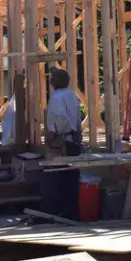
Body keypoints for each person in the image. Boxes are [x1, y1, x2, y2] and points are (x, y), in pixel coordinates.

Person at [40, 67, 83, 220]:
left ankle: (60, 212)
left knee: (57, 177)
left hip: (62, 142)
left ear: (54, 82)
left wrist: (52, 136)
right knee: (71, 178)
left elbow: (60, 119)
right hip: (74, 141)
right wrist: (78, 133)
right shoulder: (72, 95)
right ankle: (71, 212)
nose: (49, 80)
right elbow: (77, 118)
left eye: (51, 78)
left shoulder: (56, 98)